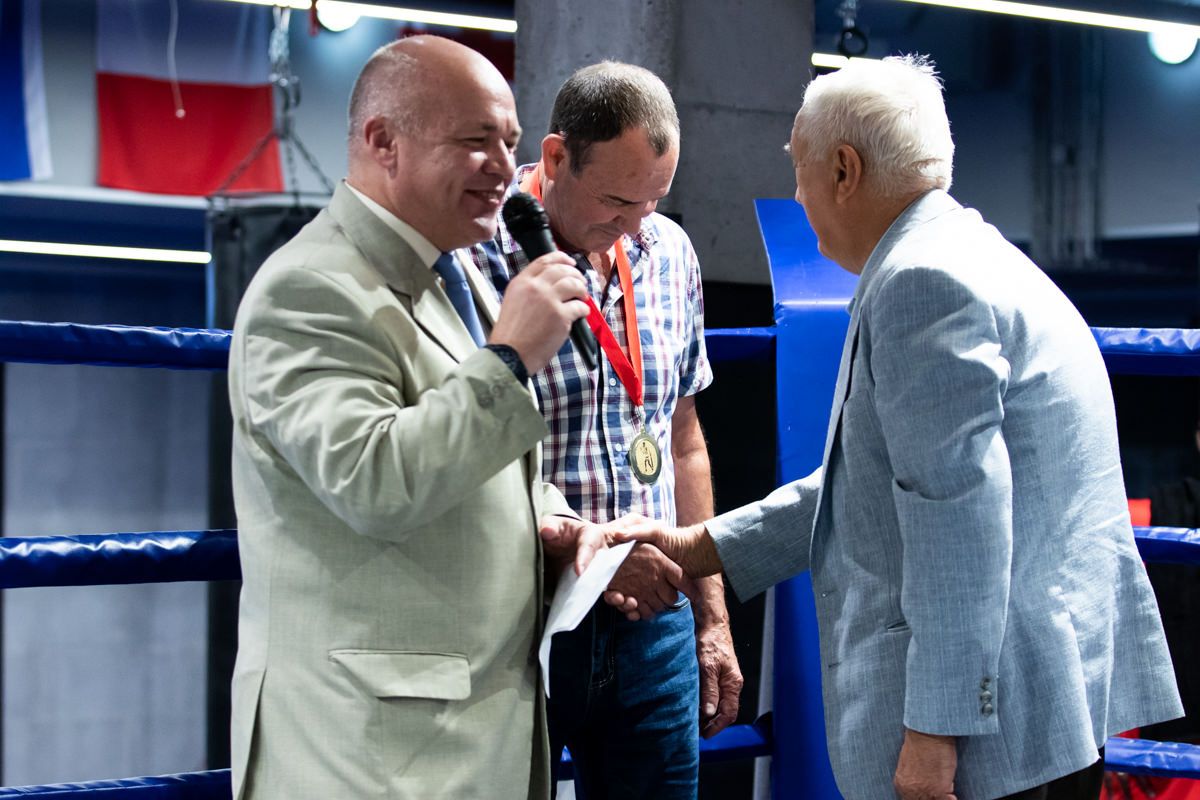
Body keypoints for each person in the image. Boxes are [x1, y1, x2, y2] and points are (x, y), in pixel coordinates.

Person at [613, 55, 1183, 800]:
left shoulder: (922, 284)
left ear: (844, 170)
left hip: (989, 736)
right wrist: (705, 546)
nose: (797, 195)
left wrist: (934, 735)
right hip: (1045, 703)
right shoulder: (977, 253)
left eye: (799, 168)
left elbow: (959, 520)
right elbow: (879, 482)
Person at [227, 36, 601, 800]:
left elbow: (479, 460)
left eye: (510, 142)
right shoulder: (309, 287)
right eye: (475, 140)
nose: (503, 166)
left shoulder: (451, 274)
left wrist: (552, 521)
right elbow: (372, 480)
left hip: (463, 736)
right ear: (382, 142)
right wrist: (509, 360)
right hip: (366, 754)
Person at [466, 61, 742, 799]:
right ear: (556, 158)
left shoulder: (669, 253)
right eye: (618, 200)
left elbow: (682, 437)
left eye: (654, 199)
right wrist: (588, 562)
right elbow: (461, 457)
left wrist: (711, 616)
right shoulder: (474, 257)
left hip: (656, 617)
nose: (635, 224)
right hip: (523, 613)